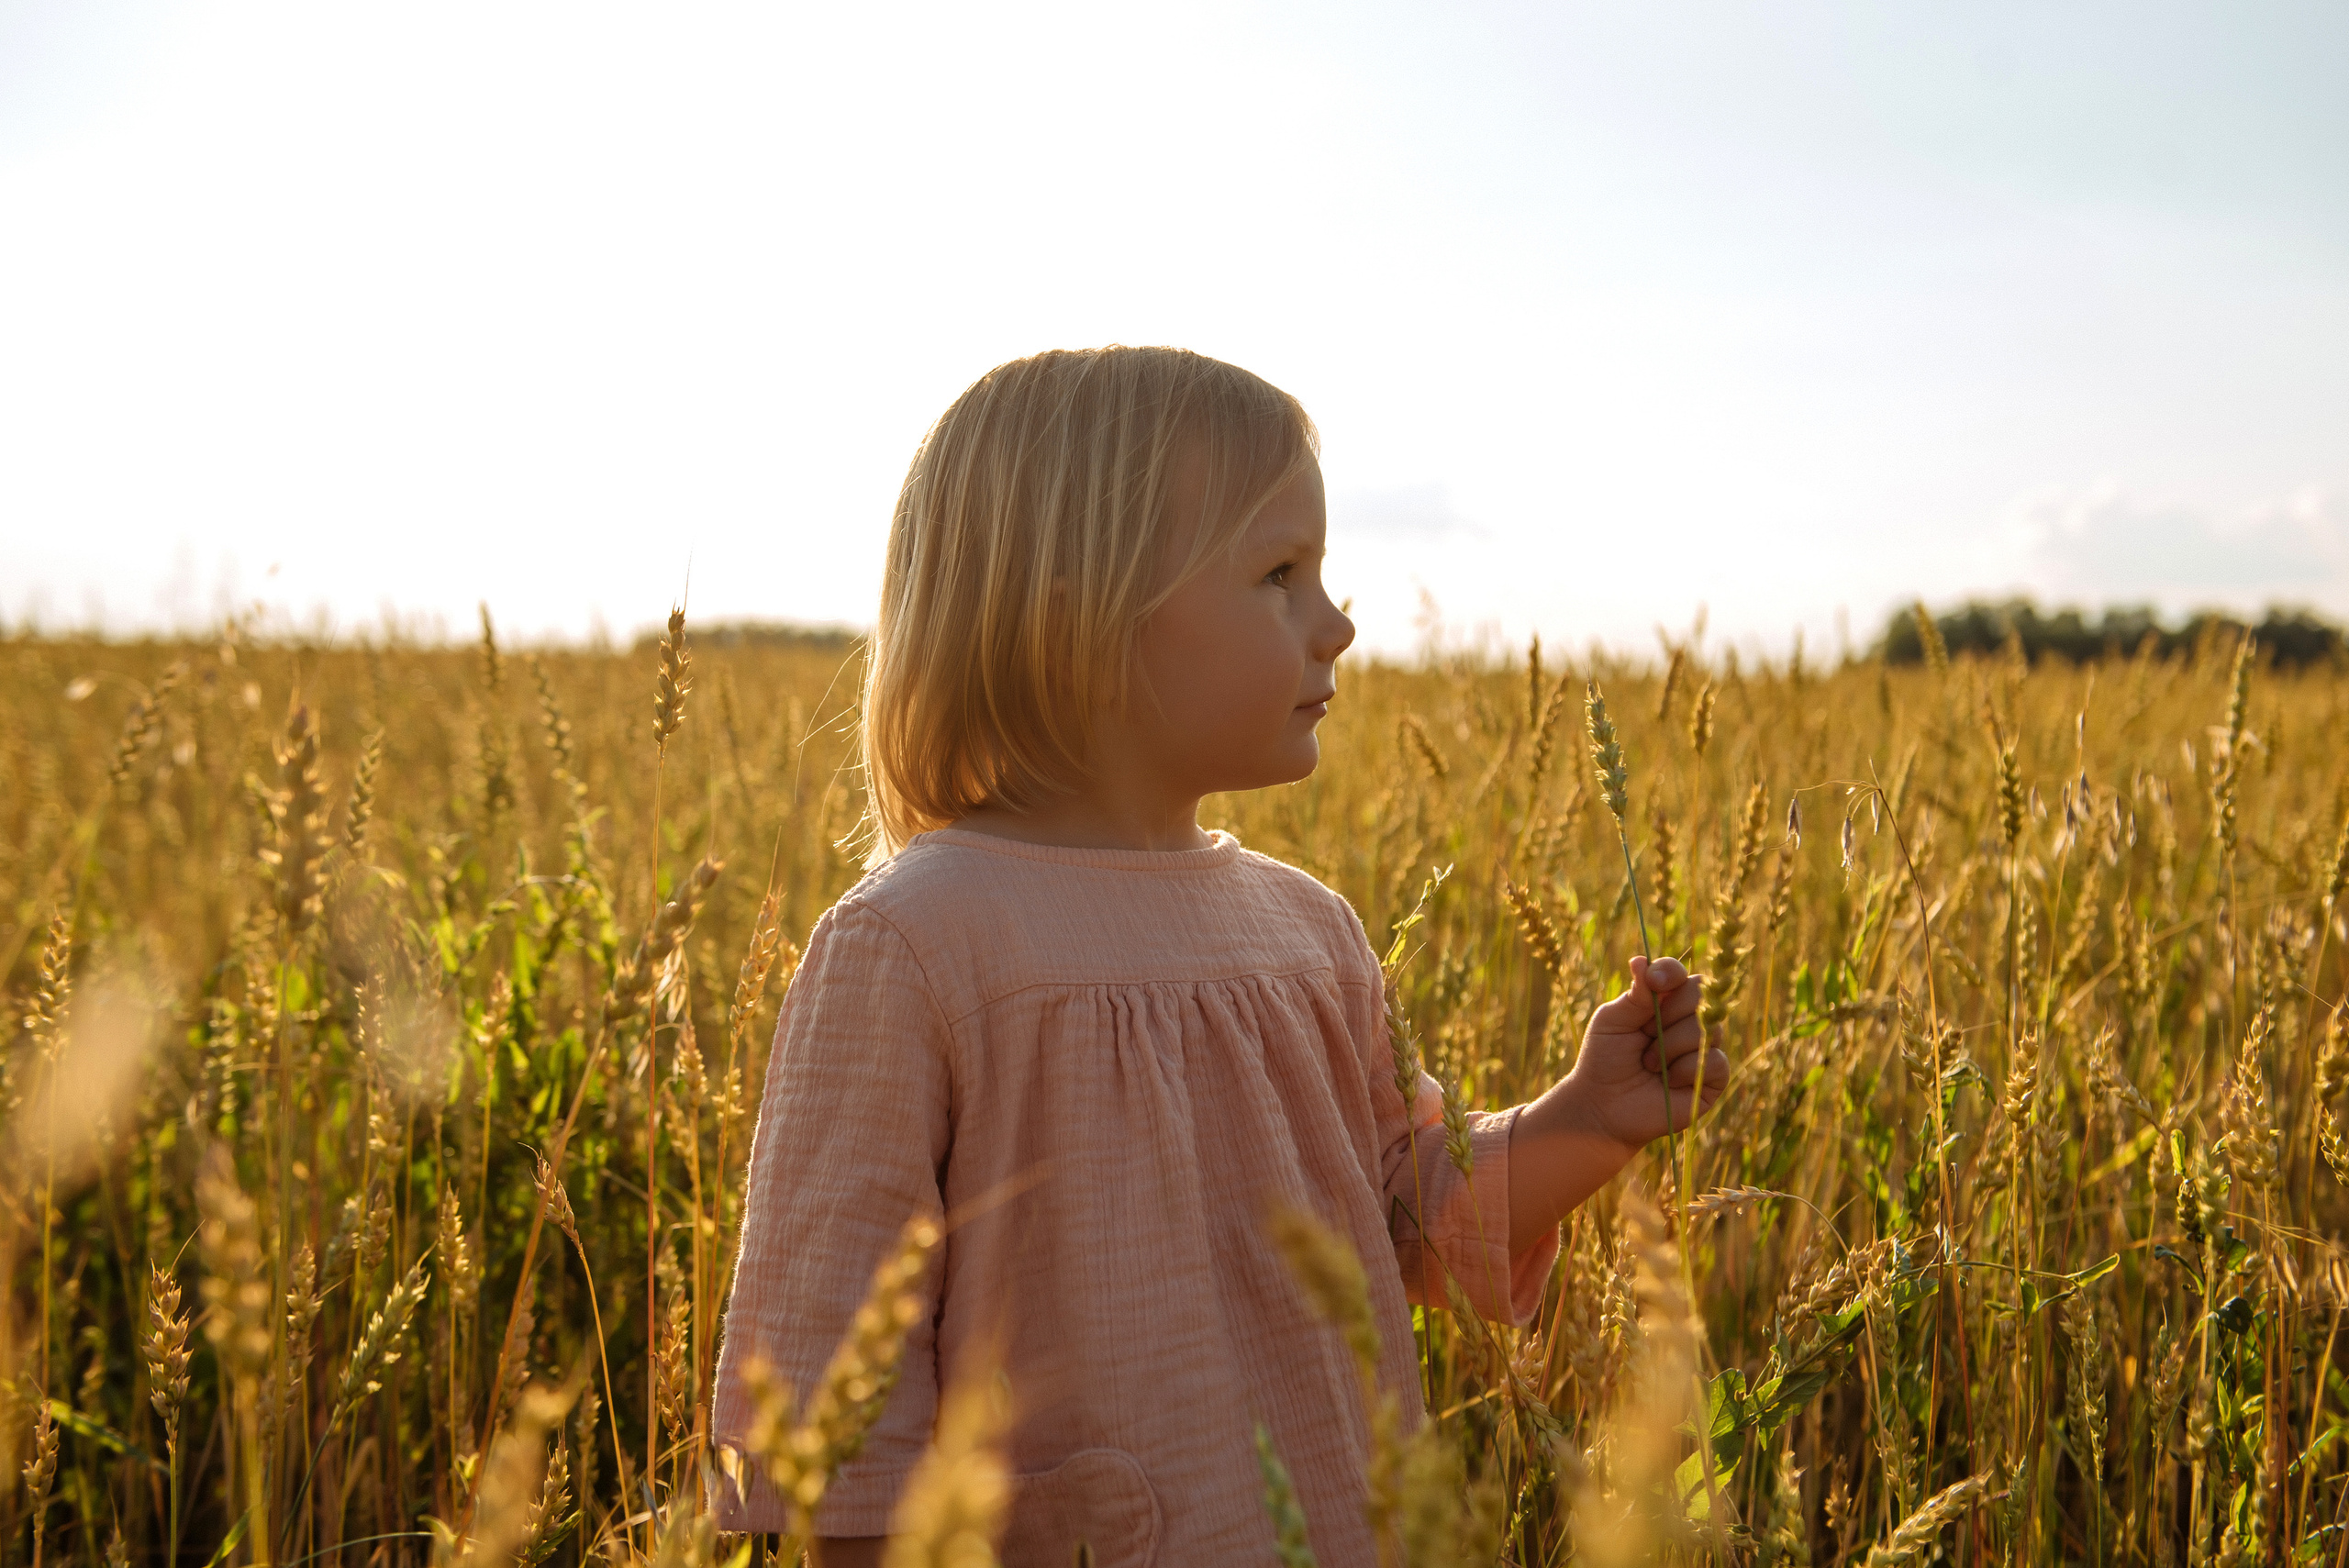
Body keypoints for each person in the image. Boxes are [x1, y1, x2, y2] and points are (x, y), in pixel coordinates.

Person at [708, 346, 1728, 1565]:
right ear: (1081, 614)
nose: (1338, 624)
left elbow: (1407, 1219)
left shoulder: (1312, 934)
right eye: (1279, 573)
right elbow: (833, 1400)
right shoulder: (915, 945)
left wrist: (1587, 1117)